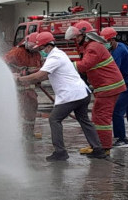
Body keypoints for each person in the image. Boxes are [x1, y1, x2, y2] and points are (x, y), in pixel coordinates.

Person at [17, 31, 106, 161]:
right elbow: (43, 70)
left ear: (48, 46)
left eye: (41, 48)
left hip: (71, 95)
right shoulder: (58, 54)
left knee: (54, 119)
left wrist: (20, 79)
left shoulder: (54, 57)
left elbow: (41, 75)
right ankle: (98, 149)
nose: (40, 52)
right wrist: (27, 72)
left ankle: (60, 152)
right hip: (82, 93)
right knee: (84, 120)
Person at [65, 20, 126, 153]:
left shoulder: (93, 47)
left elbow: (84, 65)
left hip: (109, 87)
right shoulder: (92, 46)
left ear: (85, 35)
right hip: (106, 87)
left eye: (78, 37)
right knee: (97, 115)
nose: (76, 40)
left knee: (101, 117)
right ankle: (97, 144)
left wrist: (65, 65)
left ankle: (103, 148)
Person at [100, 27, 128, 147]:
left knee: (117, 110)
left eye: (106, 42)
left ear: (112, 40)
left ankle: (121, 139)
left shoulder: (117, 53)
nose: (104, 45)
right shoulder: (121, 45)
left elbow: (113, 71)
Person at [3, 32, 42, 140]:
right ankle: (18, 134)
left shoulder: (37, 54)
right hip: (18, 89)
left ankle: (28, 133)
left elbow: (40, 69)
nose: (35, 49)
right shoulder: (17, 52)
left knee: (31, 112)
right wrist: (11, 74)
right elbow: (2, 64)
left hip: (30, 90)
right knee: (20, 112)